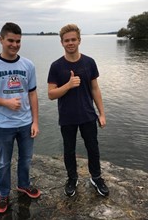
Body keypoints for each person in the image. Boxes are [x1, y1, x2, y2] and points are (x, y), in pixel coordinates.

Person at [0, 22, 41, 213]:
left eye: (18, 41)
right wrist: (6, 102)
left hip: (25, 123)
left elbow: (32, 94)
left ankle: (23, 184)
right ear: (1, 40)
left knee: (26, 159)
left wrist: (36, 121)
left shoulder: (28, 65)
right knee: (4, 162)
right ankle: (4, 193)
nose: (14, 45)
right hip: (3, 124)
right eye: (10, 41)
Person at [47, 24, 109, 197]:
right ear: (62, 43)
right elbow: (51, 94)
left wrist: (102, 113)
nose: (70, 43)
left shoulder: (89, 62)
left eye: (73, 39)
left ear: (79, 40)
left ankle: (96, 177)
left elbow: (95, 89)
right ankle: (72, 178)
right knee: (69, 150)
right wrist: (67, 85)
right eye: (67, 40)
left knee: (93, 148)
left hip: (88, 115)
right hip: (67, 117)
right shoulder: (56, 66)